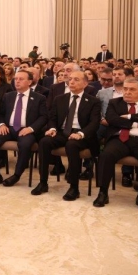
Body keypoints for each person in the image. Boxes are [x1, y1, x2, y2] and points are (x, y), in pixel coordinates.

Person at [32, 71, 102, 201]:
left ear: (85, 83)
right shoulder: (60, 99)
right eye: (70, 79)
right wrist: (52, 129)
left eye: (76, 79)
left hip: (82, 134)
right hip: (62, 132)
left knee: (72, 145)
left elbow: (94, 123)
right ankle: (43, 182)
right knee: (44, 142)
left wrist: (80, 134)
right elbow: (52, 118)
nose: (71, 82)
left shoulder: (93, 101)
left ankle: (74, 187)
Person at [94, 78, 138, 211]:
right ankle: (103, 193)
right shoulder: (114, 102)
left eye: (132, 89)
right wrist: (137, 123)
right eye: (125, 89)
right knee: (106, 155)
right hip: (119, 139)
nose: (127, 92)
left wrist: (129, 117)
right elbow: (112, 119)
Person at [0, 70, 48, 187]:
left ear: (29, 82)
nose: (17, 81)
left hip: (26, 130)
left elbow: (44, 117)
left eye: (21, 79)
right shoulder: (8, 96)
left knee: (25, 145)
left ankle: (16, 175)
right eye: (16, 79)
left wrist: (31, 128)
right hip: (9, 128)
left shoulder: (39, 98)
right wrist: (2, 124)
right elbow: (0, 113)